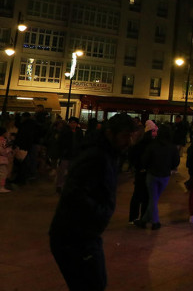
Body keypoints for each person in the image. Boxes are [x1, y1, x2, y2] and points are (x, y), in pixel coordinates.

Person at [49, 113, 137, 290]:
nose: (129, 142)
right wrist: (100, 212)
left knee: (93, 283)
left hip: (84, 234)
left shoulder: (108, 152)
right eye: (125, 136)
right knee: (92, 284)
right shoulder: (96, 155)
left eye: (131, 136)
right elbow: (75, 192)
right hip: (75, 236)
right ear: (110, 133)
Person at [135, 120, 179, 230]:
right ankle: (144, 221)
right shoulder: (172, 147)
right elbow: (176, 162)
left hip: (152, 174)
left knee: (153, 199)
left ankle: (155, 222)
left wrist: (146, 166)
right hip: (165, 175)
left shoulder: (153, 145)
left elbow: (145, 159)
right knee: (154, 199)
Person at [128, 122, 154, 224]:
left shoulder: (136, 144)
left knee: (137, 195)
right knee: (145, 196)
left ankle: (133, 217)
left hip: (140, 171)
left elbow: (131, 156)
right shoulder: (149, 143)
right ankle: (143, 217)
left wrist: (136, 167)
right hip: (146, 171)